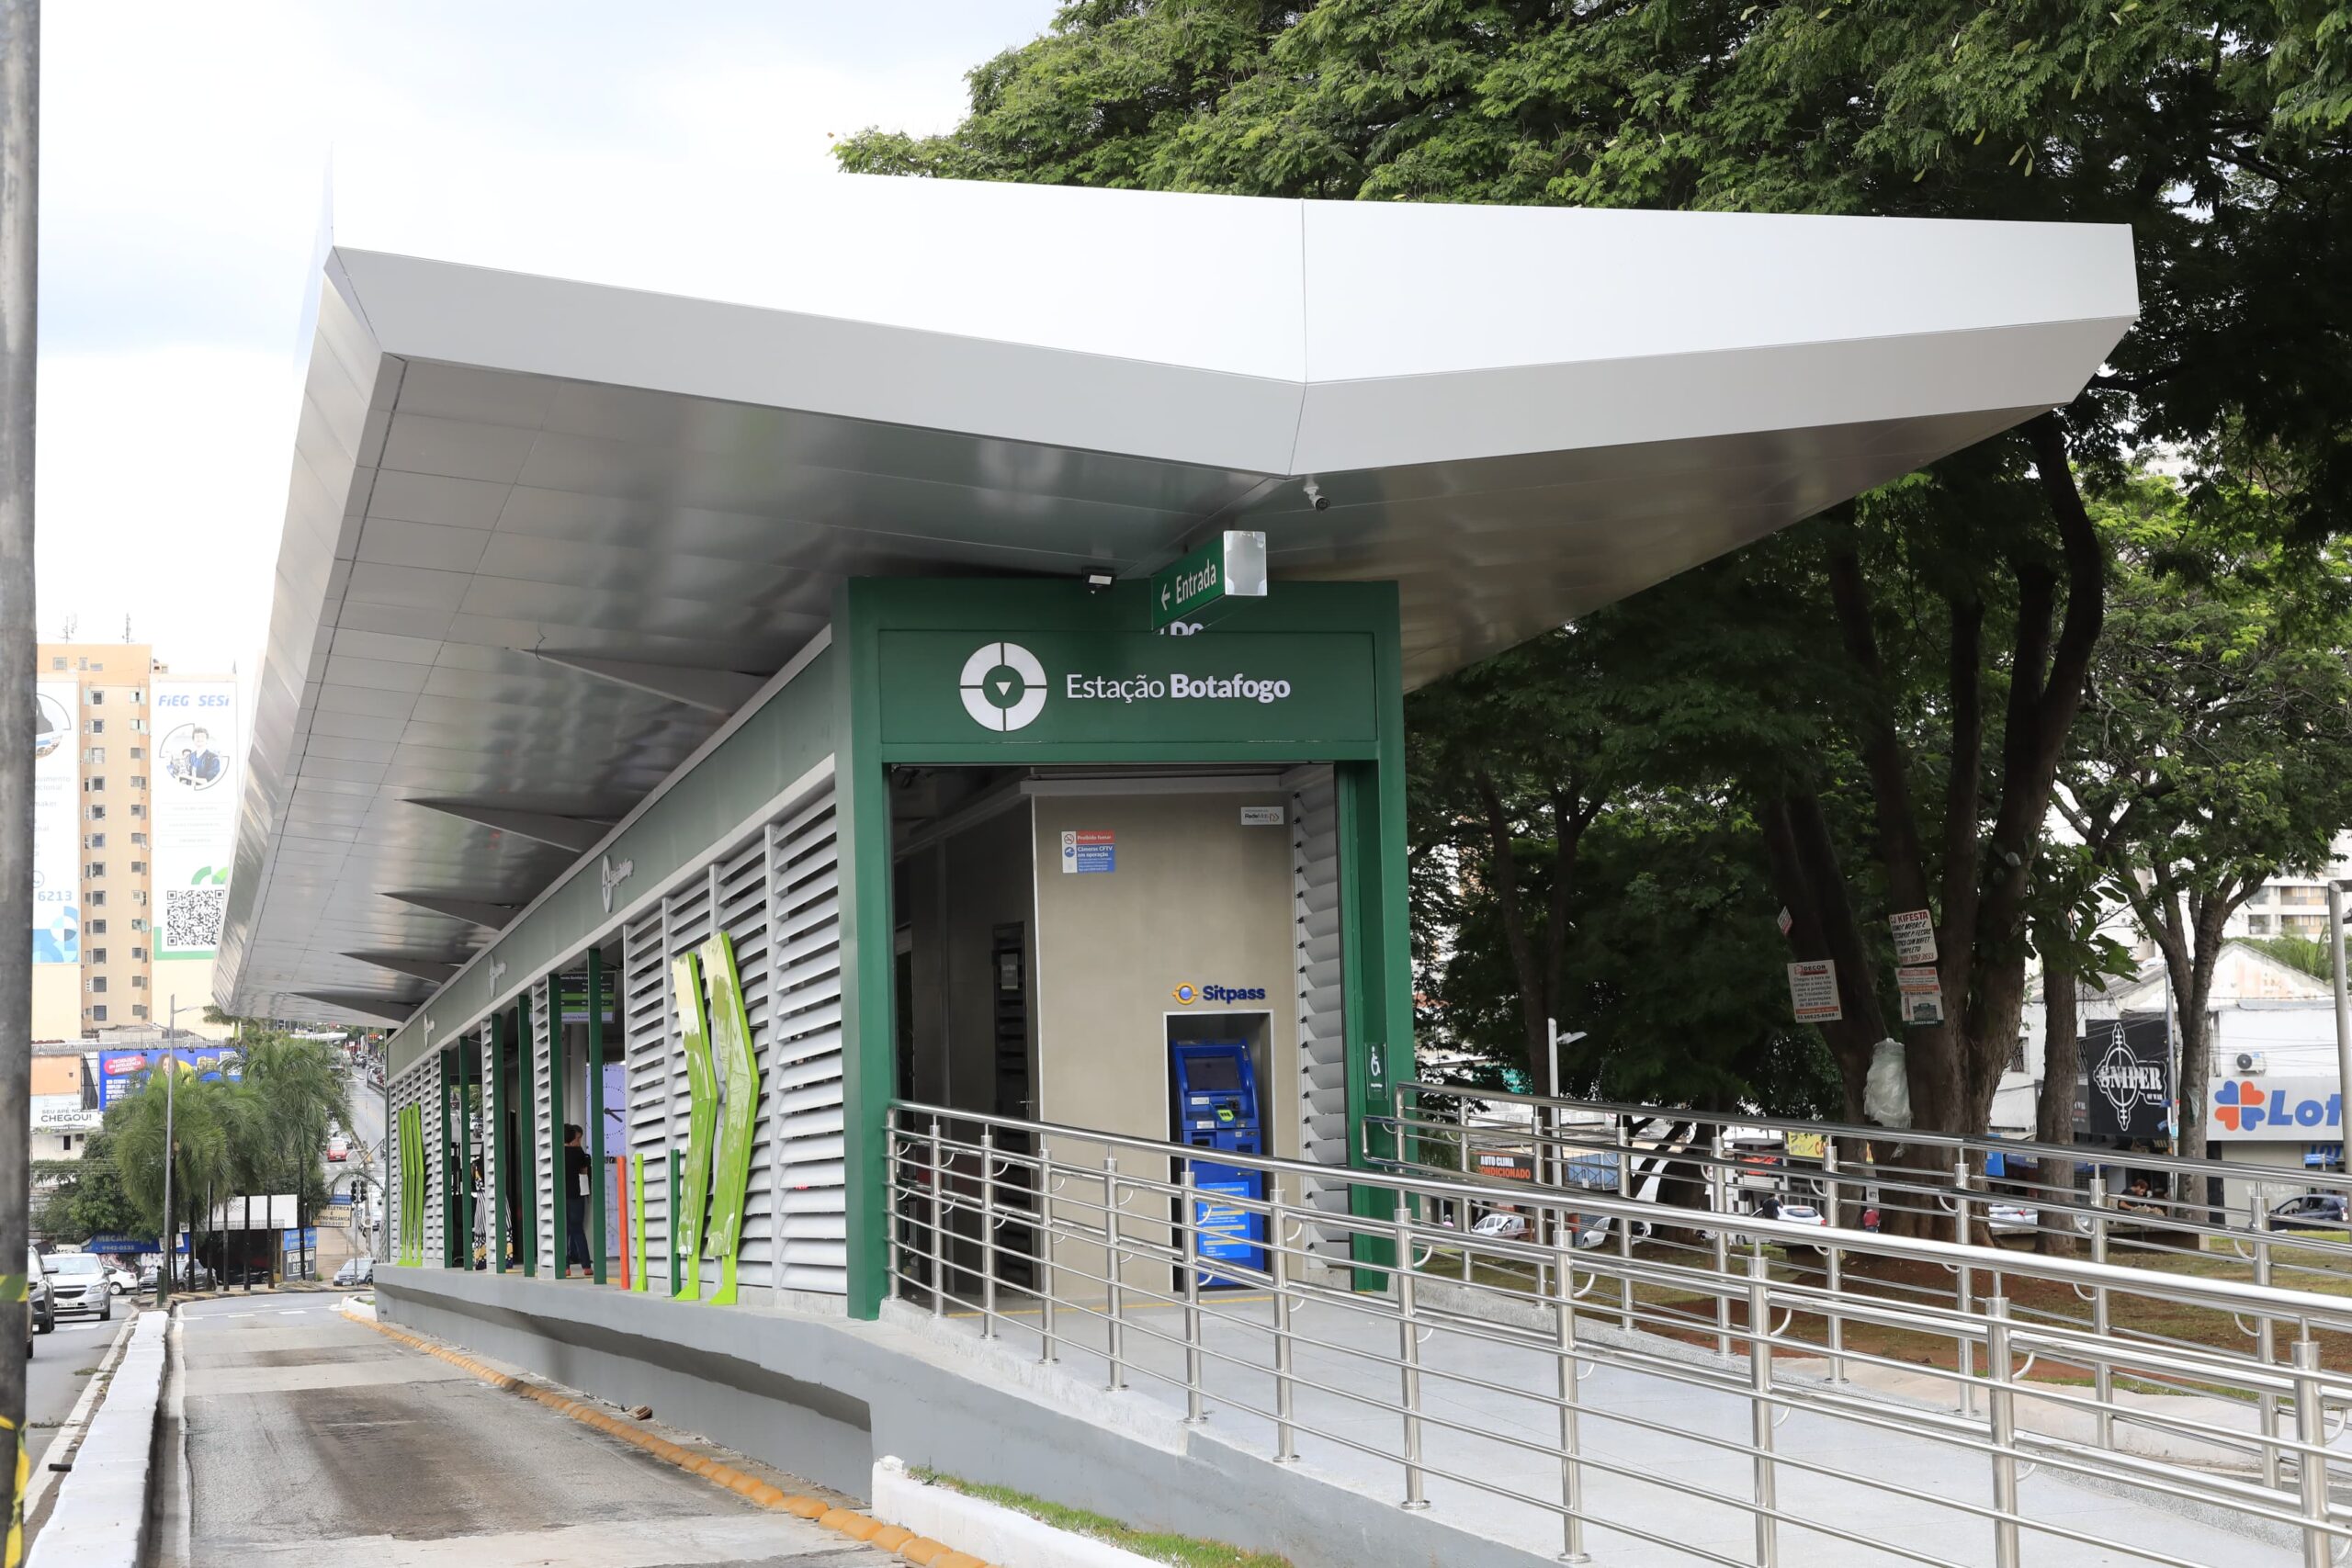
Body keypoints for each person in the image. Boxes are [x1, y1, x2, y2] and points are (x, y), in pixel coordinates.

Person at [562, 1123, 594, 1277]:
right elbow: (584, 1172)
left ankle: (565, 1267)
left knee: (564, 1231)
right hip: (577, 1195)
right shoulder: (579, 1152)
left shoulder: (557, 1153)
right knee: (578, 1229)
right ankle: (586, 1266)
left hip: (561, 1196)